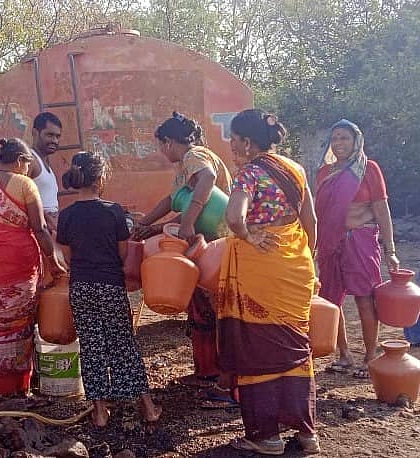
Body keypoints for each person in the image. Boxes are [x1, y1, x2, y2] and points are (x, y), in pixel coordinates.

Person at [219, 109, 320, 455]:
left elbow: (234, 216)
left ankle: (267, 436)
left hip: (260, 272)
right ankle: (307, 434)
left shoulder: (248, 174)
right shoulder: (297, 170)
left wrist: (248, 236)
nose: (231, 144)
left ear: (247, 142)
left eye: (233, 138)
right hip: (296, 268)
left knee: (257, 346)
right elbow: (312, 223)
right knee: (296, 347)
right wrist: (308, 263)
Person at [56, 151, 162, 427]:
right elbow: (123, 253)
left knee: (91, 346)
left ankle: (100, 412)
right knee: (122, 343)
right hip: (110, 286)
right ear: (101, 177)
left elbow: (67, 257)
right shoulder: (114, 212)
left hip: (81, 287)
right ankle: (148, 407)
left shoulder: (66, 216)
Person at [131, 112, 232, 396]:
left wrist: (185, 222)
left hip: (216, 242)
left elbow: (207, 180)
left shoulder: (194, 156)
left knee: (214, 309)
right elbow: (171, 200)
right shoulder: (184, 168)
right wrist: (146, 224)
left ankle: (220, 377)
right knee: (201, 307)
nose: (162, 152)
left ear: (169, 142)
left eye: (161, 146)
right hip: (206, 240)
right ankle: (207, 371)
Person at [0, 138, 65, 397]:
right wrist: (54, 262)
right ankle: (19, 391)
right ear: (20, 160)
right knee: (20, 326)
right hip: (18, 265)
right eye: (28, 164)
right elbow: (40, 229)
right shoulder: (24, 184)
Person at [315, 119, 400, 378]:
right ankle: (343, 354)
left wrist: (391, 250)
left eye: (345, 138)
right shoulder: (325, 172)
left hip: (360, 240)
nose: (339, 143)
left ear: (356, 141)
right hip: (331, 242)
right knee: (332, 300)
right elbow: (319, 212)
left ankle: (369, 356)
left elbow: (381, 210)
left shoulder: (368, 169)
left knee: (364, 297)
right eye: (335, 138)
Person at [28, 112, 64, 230]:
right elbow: (19, 200)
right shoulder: (30, 161)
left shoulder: (44, 162)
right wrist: (46, 219)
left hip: (50, 229)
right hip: (40, 231)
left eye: (57, 136)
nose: (55, 140)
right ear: (35, 133)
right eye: (49, 135)